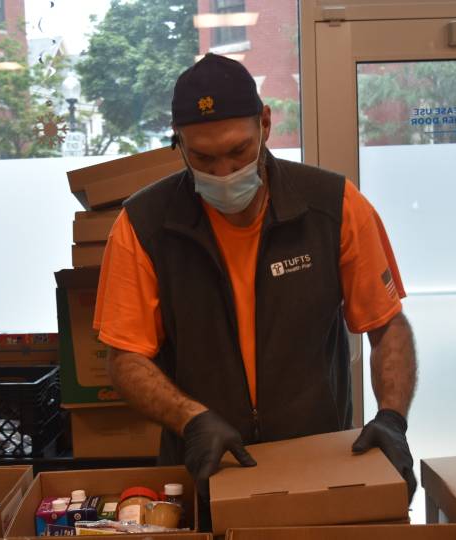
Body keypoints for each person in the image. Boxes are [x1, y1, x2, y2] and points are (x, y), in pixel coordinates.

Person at [93, 53, 418, 509]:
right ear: (178, 143)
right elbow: (125, 357)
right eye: (203, 157)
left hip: (319, 463)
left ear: (265, 124)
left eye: (238, 151)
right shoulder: (144, 226)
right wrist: (191, 418)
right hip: (207, 465)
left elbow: (387, 325)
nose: (223, 173)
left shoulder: (333, 206)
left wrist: (391, 417)